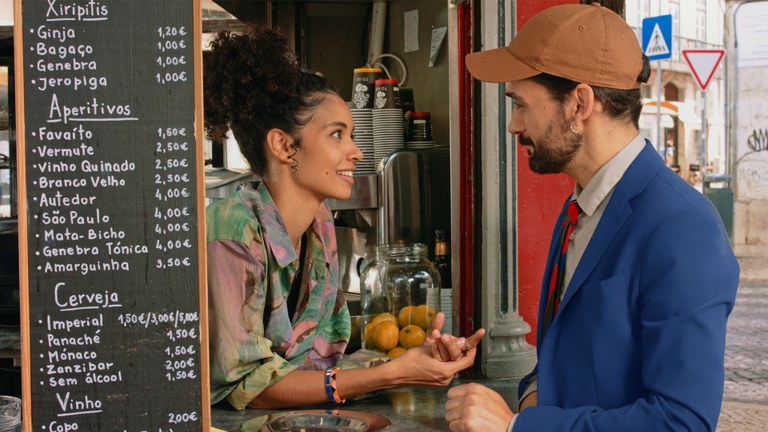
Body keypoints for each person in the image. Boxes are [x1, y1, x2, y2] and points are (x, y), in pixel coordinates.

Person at [445, 3, 739, 431]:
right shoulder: (579, 208)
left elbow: (682, 421)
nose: (513, 125)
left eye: (522, 104)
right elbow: (569, 357)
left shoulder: (682, 227)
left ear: (580, 103)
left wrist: (515, 428)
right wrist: (532, 393)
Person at [204, 24, 483, 411]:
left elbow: (320, 361)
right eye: (338, 135)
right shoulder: (231, 231)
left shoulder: (320, 225)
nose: (356, 152)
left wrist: (411, 356)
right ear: (285, 145)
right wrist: (392, 374)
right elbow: (249, 387)